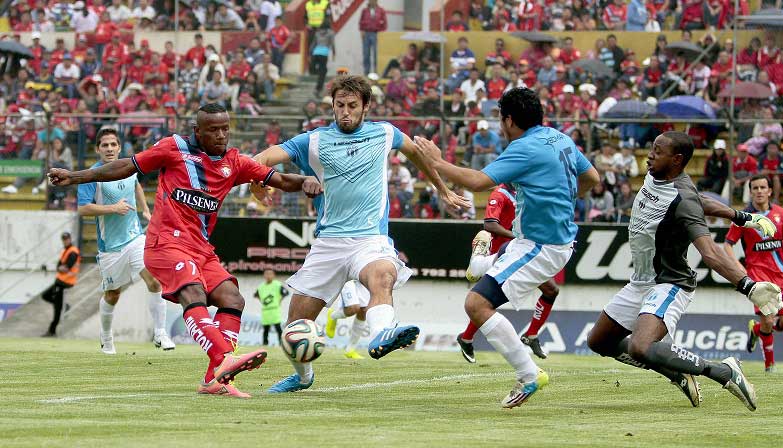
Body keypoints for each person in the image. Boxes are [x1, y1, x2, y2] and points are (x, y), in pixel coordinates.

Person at [48, 103, 323, 398]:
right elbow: (126, 165)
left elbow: (279, 180)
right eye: (213, 130)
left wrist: (307, 180)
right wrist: (76, 176)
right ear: (197, 131)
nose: (220, 135)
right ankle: (222, 359)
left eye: (225, 129)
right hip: (165, 243)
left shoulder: (236, 162)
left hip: (201, 249)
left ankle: (213, 380)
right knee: (194, 293)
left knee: (233, 298)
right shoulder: (173, 148)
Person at [252, 75, 467, 393]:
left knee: (382, 275)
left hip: (369, 238)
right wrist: (259, 180)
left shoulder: (385, 133)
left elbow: (417, 155)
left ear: (366, 106)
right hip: (328, 243)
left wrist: (443, 190)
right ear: (333, 106)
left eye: (352, 106)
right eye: (340, 105)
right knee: (296, 324)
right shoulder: (314, 141)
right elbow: (265, 157)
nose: (345, 112)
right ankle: (303, 376)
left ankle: (381, 334)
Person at [413, 87, 600, 408]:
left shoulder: (525, 147)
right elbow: (592, 178)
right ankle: (482, 265)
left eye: (500, 119)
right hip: (544, 242)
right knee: (481, 290)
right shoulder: (560, 138)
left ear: (510, 119)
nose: (500, 126)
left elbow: (476, 182)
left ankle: (529, 374)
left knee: (476, 304)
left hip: (541, 245)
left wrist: (437, 162)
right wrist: (568, 197)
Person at [586, 132, 782, 412]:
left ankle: (723, 371)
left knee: (640, 347)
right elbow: (700, 198)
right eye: (651, 149)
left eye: (657, 151)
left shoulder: (682, 200)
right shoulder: (662, 177)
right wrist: (741, 216)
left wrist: (748, 286)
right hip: (641, 280)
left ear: (676, 160)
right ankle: (677, 373)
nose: (649, 156)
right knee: (599, 341)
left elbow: (711, 252)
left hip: (669, 282)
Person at [77, 127, 175, 355]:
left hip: (135, 237)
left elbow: (136, 185)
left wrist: (145, 210)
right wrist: (113, 208)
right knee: (113, 295)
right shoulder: (92, 175)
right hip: (110, 248)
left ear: (119, 147)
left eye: (113, 145)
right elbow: (82, 209)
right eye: (105, 145)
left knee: (154, 281)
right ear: (97, 149)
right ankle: (106, 336)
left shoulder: (128, 168)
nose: (110, 149)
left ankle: (160, 333)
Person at [457, 182, 560, 363]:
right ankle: (478, 264)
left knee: (551, 290)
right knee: (487, 301)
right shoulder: (500, 194)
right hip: (501, 256)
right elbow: (489, 225)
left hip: (519, 254)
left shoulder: (524, 192)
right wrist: (518, 237)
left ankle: (531, 334)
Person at [724, 175, 783, 373]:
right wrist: (738, 269)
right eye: (755, 188)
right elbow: (727, 245)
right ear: (751, 191)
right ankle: (770, 366)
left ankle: (756, 330)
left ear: (770, 191)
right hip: (758, 276)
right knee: (768, 318)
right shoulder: (743, 218)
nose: (759, 191)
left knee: (778, 323)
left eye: (762, 187)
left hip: (781, 274)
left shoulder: (780, 214)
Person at [41, 232, 81, 337]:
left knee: (57, 308)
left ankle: (52, 330)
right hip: (60, 281)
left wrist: (60, 268)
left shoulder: (73, 252)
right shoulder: (65, 251)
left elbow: (65, 268)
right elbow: (60, 266)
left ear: (70, 239)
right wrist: (60, 268)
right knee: (45, 296)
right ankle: (65, 306)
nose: (65, 240)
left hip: (66, 282)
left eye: (67, 239)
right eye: (63, 239)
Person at [324, 280, 371, 359]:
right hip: (349, 276)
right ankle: (333, 316)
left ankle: (350, 350)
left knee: (364, 310)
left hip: (363, 277)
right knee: (353, 309)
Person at [254, 269, 289, 346]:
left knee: (278, 328)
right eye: (266, 274)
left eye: (270, 274)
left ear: (273, 275)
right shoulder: (261, 286)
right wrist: (262, 301)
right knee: (266, 329)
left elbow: (286, 292)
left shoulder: (277, 284)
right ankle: (265, 344)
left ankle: (281, 344)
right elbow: (256, 295)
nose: (268, 276)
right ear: (264, 275)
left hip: (274, 309)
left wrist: (280, 300)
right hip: (265, 310)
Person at [359, 0, 387, 75]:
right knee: (366, 54)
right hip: (366, 33)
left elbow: (385, 23)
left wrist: (382, 33)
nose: (372, 1)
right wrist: (362, 31)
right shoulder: (365, 10)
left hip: (376, 33)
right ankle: (366, 72)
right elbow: (361, 22)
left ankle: (376, 72)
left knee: (376, 54)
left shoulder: (381, 11)